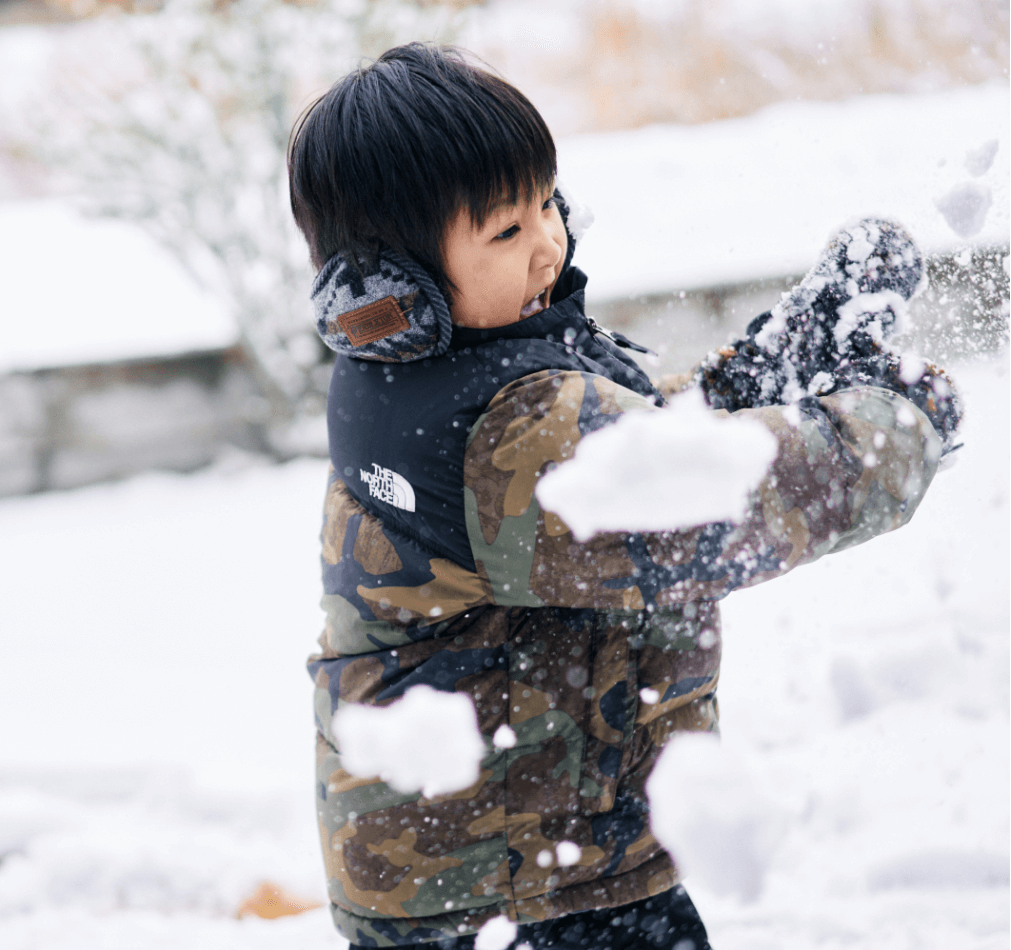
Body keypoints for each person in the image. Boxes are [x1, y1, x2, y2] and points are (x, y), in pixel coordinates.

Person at [287, 43, 959, 950]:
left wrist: (767, 370)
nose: (548, 245)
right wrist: (893, 427)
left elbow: (631, 443)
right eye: (505, 232)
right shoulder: (501, 431)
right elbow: (709, 506)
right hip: (523, 892)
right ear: (393, 285)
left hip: (490, 867)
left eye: (546, 204)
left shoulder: (423, 372)